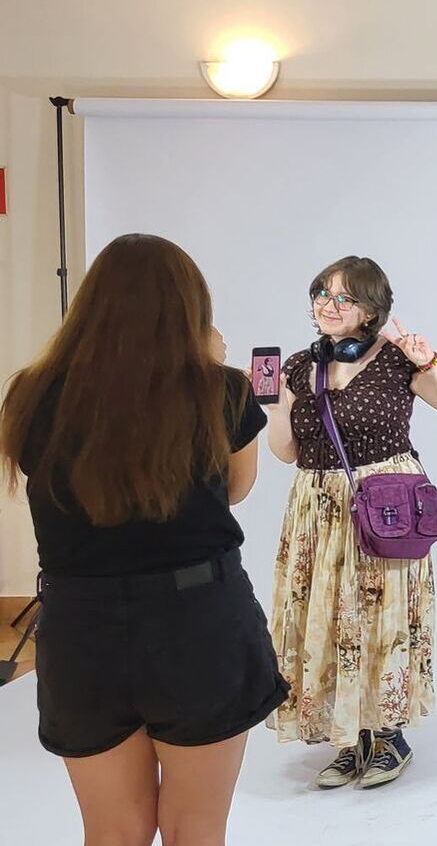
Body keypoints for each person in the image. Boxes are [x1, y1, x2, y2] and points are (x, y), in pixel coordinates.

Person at [1, 233, 287, 845]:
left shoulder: (32, 393)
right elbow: (235, 490)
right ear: (190, 308)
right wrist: (209, 363)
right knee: (195, 829)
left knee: (112, 832)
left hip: (81, 629)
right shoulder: (223, 390)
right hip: (200, 620)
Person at [264, 256, 437, 789]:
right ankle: (348, 736)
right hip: (318, 510)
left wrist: (430, 362)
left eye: (345, 297)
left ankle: (388, 735)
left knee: (383, 616)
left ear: (370, 309)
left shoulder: (397, 360)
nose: (329, 305)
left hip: (385, 507)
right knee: (328, 616)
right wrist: (273, 406)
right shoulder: (300, 367)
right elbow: (287, 452)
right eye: (322, 294)